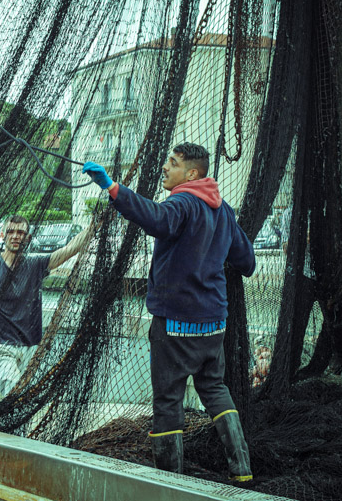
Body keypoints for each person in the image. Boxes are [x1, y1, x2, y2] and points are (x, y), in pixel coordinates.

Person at [83, 143, 256, 482]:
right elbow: (246, 262)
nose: (165, 167)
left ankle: (170, 483)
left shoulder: (182, 202)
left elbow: (157, 219)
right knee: (214, 388)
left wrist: (112, 188)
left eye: (173, 163)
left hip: (176, 325)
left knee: (168, 400)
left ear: (191, 174)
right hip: (214, 324)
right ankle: (243, 470)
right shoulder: (223, 210)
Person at [0, 216, 92, 396]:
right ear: (2, 235)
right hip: (1, 348)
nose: (15, 236)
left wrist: (94, 225)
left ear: (28, 237)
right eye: (11, 232)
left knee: (26, 398)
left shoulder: (35, 265)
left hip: (31, 347)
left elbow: (70, 249)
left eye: (21, 232)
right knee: (13, 389)